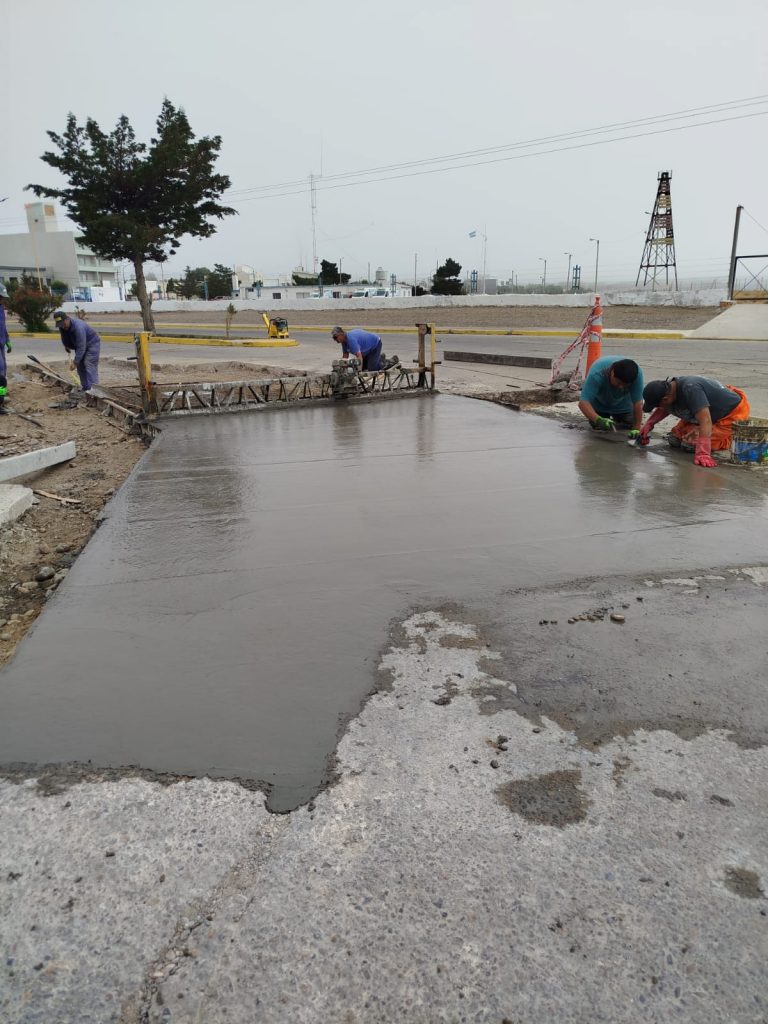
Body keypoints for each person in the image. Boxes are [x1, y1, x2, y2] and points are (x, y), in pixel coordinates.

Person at [638, 376, 750, 468]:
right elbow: (664, 408)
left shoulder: (691, 389)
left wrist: (703, 453)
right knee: (675, 439)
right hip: (703, 412)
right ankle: (701, 431)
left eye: (658, 405)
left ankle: (728, 438)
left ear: (665, 399)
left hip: (731, 414)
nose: (659, 408)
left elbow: (705, 421)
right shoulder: (670, 389)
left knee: (691, 445)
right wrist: (649, 424)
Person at [577, 356, 644, 437]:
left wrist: (636, 428)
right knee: (600, 427)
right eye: (618, 383)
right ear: (612, 373)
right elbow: (583, 402)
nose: (621, 387)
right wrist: (598, 420)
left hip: (624, 405)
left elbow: (638, 403)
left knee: (630, 425)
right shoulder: (597, 374)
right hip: (599, 403)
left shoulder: (637, 374)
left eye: (625, 385)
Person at [53, 309, 101, 392]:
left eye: (63, 324)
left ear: (67, 319)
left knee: (89, 364)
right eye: (60, 325)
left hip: (92, 344)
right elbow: (64, 336)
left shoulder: (79, 327)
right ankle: (86, 388)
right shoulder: (62, 326)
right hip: (80, 346)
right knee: (80, 367)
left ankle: (95, 391)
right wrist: (66, 345)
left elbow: (81, 347)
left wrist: (75, 362)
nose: (62, 326)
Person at [331, 326, 399, 372]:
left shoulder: (351, 340)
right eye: (334, 338)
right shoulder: (344, 342)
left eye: (336, 337)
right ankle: (379, 358)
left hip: (375, 345)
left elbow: (359, 356)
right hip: (366, 350)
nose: (335, 339)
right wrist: (342, 370)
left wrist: (359, 372)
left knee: (372, 369)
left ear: (342, 334)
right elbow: (345, 356)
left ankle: (392, 361)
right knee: (362, 367)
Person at [0, 283, 10, 415]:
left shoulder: (1, 308)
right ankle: (0, 400)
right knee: (0, 372)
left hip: (1, 343)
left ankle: (1, 395)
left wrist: (7, 340)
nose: (3, 299)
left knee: (4, 369)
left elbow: (3, 326)